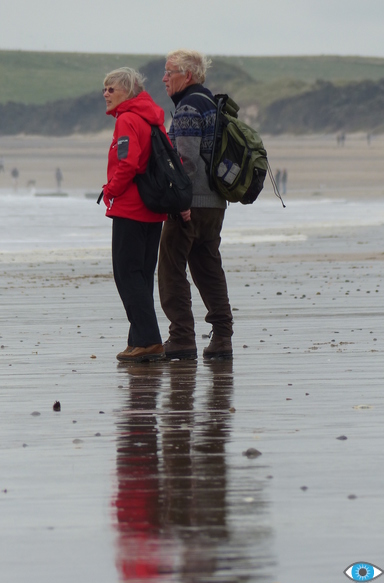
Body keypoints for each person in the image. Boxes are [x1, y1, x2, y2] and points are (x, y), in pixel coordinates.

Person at [158, 49, 233, 360]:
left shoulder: (188, 107)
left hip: (191, 203)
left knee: (171, 268)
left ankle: (182, 337)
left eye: (169, 72)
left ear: (186, 76)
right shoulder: (213, 104)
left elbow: (186, 161)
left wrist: (180, 200)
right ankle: (223, 338)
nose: (164, 78)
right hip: (216, 203)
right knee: (208, 268)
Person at [101, 67, 168, 363]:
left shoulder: (128, 119)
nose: (105, 93)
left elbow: (127, 164)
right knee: (141, 276)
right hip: (153, 209)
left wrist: (110, 189)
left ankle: (150, 340)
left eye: (111, 88)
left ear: (127, 91)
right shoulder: (151, 117)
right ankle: (138, 339)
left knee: (127, 275)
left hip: (132, 208)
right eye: (104, 88)